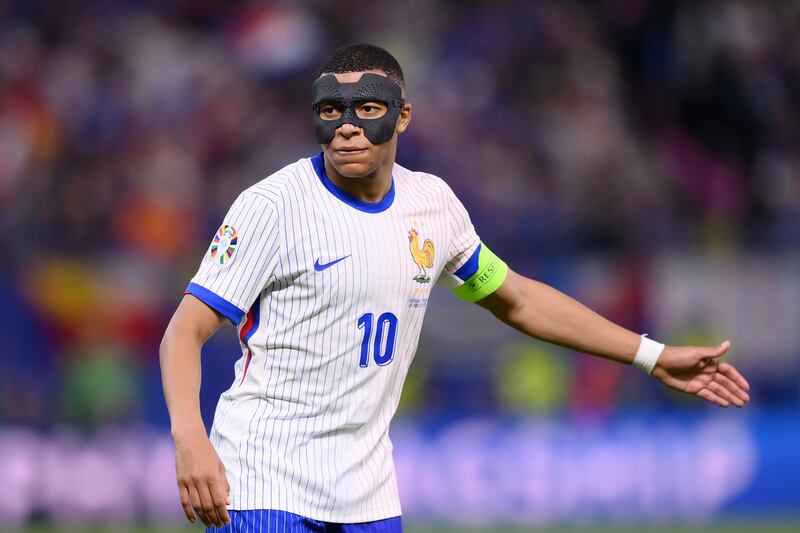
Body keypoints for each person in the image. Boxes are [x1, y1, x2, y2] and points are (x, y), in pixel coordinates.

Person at [159, 43, 750, 532]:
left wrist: (651, 355)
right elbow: (184, 330)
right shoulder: (271, 206)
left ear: (402, 116)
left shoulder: (432, 207)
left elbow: (515, 298)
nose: (346, 128)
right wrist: (190, 437)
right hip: (264, 477)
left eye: (367, 109)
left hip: (367, 492)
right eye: (330, 111)